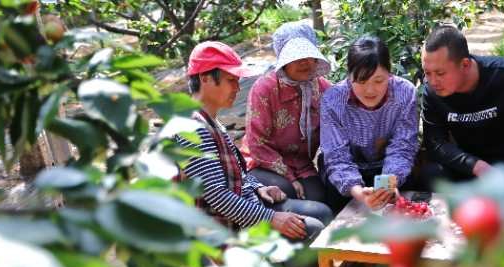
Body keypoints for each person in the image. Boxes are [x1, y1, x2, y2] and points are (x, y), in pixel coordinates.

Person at [176, 41, 332, 242]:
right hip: (223, 228)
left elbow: (236, 175)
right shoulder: (193, 129)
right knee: (313, 226)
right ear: (205, 78)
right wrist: (272, 218)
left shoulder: (212, 122)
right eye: (231, 80)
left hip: (246, 206)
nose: (237, 89)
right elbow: (217, 196)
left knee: (321, 213)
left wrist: (258, 187)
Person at [420, 24, 504, 183]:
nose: (433, 81)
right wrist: (477, 166)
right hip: (474, 169)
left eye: (440, 73)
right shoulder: (432, 91)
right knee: (431, 174)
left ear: (465, 64)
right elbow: (435, 142)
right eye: (427, 72)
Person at [320, 36, 420, 212]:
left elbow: (402, 145)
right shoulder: (333, 100)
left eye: (379, 80)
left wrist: (387, 186)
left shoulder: (405, 92)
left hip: (389, 172)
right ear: (349, 75)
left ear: (390, 73)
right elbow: (337, 156)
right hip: (349, 175)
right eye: (361, 81)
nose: (370, 90)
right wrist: (358, 192)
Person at [240, 21, 332, 205]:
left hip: (302, 166)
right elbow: (257, 144)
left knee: (322, 198)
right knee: (288, 191)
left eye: (309, 56)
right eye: (297, 58)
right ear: (284, 61)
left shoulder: (323, 88)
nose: (305, 63)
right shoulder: (264, 89)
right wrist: (290, 176)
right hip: (263, 164)